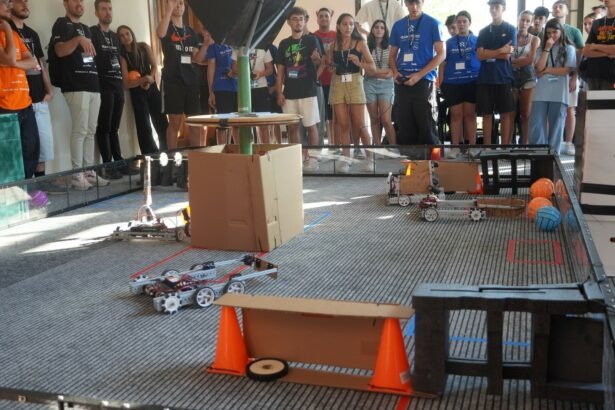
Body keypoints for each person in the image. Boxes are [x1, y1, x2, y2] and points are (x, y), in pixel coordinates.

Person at [51, 0, 107, 190]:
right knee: (80, 130)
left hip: (93, 84)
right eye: (75, 0)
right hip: (76, 85)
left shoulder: (86, 28)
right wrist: (77, 40)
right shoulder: (61, 23)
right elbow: (59, 51)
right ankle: (76, 175)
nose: (79, 3)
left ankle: (88, 171)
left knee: (91, 130)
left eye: (81, 0)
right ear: (65, 3)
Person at [389, 0, 444, 146]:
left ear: (423, 2)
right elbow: (392, 55)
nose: (414, 7)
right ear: (406, 3)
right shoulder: (398, 25)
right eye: (410, 3)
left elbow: (441, 54)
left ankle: (431, 158)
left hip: (423, 80)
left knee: (425, 123)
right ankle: (409, 159)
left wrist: (419, 75)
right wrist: (395, 72)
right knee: (404, 123)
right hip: (402, 80)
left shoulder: (433, 23)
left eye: (417, 3)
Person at [9, 0, 53, 181]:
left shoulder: (32, 33)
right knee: (22, 148)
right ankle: (22, 187)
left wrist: (49, 89)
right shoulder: (6, 30)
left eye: (26, 1)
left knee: (40, 146)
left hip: (39, 96)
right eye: (20, 1)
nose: (25, 3)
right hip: (17, 98)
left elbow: (39, 63)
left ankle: (40, 184)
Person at [275, 6, 322, 171]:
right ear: (288, 22)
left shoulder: (311, 40)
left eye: (301, 19)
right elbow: (280, 70)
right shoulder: (283, 43)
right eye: (295, 19)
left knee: (311, 125)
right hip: (289, 93)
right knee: (293, 127)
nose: (298, 22)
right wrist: (279, 92)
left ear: (305, 21)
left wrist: (316, 59)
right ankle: (298, 157)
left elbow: (318, 61)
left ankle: (313, 158)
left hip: (308, 90)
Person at [327, 13, 376, 173]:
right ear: (338, 26)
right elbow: (330, 65)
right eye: (344, 24)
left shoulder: (360, 43)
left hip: (355, 81)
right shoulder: (333, 45)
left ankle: (370, 158)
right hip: (338, 82)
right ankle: (346, 160)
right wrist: (331, 66)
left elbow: (372, 66)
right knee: (343, 124)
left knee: (359, 124)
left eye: (351, 24)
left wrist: (359, 63)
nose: (348, 27)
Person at [156, 0, 207, 149]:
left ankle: (196, 155)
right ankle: (172, 158)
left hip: (191, 82)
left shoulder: (190, 32)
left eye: (181, 4)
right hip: (173, 81)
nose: (178, 6)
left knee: (194, 122)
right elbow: (160, 33)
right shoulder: (167, 27)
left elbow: (197, 58)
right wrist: (169, 9)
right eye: (175, 3)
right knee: (175, 122)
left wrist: (206, 45)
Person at [1, 0, 39, 180]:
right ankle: (12, 192)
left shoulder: (16, 36)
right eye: (4, 3)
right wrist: (8, 30)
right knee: (9, 156)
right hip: (5, 105)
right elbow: (9, 57)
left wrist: (13, 63)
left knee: (31, 149)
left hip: (25, 103)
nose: (9, 6)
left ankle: (24, 188)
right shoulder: (11, 33)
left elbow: (33, 62)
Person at [118, 25, 168, 155]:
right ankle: (150, 155)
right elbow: (126, 84)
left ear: (132, 34)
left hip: (152, 88)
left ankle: (166, 151)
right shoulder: (123, 57)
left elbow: (154, 66)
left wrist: (149, 79)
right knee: (144, 126)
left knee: (161, 121)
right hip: (137, 92)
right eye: (121, 36)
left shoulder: (144, 47)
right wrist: (141, 81)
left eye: (127, 33)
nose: (125, 37)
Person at [90, 0, 126, 179]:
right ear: (96, 13)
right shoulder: (92, 32)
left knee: (114, 127)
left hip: (118, 84)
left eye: (110, 9)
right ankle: (108, 165)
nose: (108, 12)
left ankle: (119, 161)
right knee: (104, 126)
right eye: (103, 9)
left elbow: (119, 60)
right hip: (103, 85)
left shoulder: (115, 36)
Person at [529, 18, 576, 155]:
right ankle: (539, 154)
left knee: (556, 125)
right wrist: (547, 49)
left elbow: (566, 70)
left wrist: (547, 70)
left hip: (559, 93)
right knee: (536, 123)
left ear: (561, 32)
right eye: (549, 33)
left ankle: (553, 155)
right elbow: (538, 69)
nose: (552, 36)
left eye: (555, 32)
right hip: (541, 92)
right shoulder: (541, 49)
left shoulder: (569, 48)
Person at [439, 10, 480, 158]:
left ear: (469, 23)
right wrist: (441, 83)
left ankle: (472, 147)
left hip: (472, 81)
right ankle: (455, 147)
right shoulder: (449, 43)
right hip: (453, 83)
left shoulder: (477, 40)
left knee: (470, 115)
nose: (461, 24)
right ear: (456, 24)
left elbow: (482, 59)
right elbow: (442, 63)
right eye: (459, 22)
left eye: (464, 21)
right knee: (456, 115)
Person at [475, 0, 517, 145]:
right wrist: (500, 50)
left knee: (505, 114)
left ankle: (504, 148)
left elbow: (507, 56)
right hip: (485, 78)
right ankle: (487, 148)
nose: (493, 10)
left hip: (503, 78)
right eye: (491, 7)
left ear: (503, 8)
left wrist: (488, 53)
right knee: (487, 114)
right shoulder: (483, 31)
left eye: (496, 7)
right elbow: (479, 56)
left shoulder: (511, 29)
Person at [552, 0, 583, 156]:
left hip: (569, 76)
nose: (557, 9)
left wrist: (574, 77)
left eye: (560, 7)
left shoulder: (574, 31)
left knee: (570, 109)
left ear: (566, 11)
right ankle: (551, 142)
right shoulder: (547, 30)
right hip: (551, 76)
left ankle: (569, 142)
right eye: (555, 7)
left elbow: (580, 54)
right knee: (552, 109)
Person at [231, 47, 273, 142]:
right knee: (243, 122)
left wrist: (260, 74)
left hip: (261, 88)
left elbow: (270, 69)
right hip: (244, 89)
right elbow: (234, 69)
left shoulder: (264, 47)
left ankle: (265, 149)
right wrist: (246, 73)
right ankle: (246, 149)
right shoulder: (238, 48)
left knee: (263, 122)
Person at [365, 19, 396, 147]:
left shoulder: (390, 47)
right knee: (374, 119)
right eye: (376, 27)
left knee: (386, 120)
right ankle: (378, 148)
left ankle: (394, 148)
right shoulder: (366, 47)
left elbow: (392, 71)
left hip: (386, 85)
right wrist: (383, 72)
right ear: (372, 30)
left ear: (385, 31)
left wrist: (375, 71)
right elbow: (367, 71)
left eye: (382, 28)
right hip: (369, 84)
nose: (379, 30)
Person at [511, 10, 539, 145]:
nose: (524, 23)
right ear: (518, 20)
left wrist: (513, 62)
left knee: (525, 114)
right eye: (522, 20)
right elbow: (505, 59)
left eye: (528, 21)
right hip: (511, 77)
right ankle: (508, 143)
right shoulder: (510, 37)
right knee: (511, 113)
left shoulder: (535, 39)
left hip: (528, 77)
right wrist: (519, 61)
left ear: (531, 23)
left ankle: (525, 144)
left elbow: (530, 60)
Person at [207, 38, 237, 143]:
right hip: (222, 88)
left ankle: (240, 151)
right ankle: (222, 150)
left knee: (238, 123)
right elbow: (210, 69)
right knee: (222, 124)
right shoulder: (214, 46)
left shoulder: (237, 44)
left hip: (238, 88)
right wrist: (211, 92)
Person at [313, 7, 336, 146]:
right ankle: (320, 143)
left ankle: (333, 144)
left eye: (326, 16)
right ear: (317, 19)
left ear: (330, 18)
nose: (323, 18)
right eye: (321, 16)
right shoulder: (312, 36)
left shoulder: (336, 35)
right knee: (320, 115)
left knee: (333, 116)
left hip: (334, 81)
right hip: (319, 82)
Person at [582, 0, 615, 91]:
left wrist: (596, 47)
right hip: (594, 73)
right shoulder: (597, 23)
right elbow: (586, 51)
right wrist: (607, 53)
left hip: (612, 74)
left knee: (610, 101)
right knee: (594, 100)